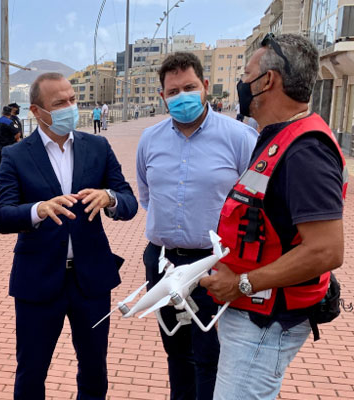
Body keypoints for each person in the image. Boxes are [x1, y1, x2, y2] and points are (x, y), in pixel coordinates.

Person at [200, 33, 345, 399]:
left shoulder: (305, 151)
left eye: (246, 73)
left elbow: (326, 251)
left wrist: (242, 283)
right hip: (253, 317)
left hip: (265, 322)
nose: (240, 83)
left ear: (268, 80)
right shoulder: (277, 136)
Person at [0, 72, 138, 399]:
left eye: (72, 100)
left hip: (92, 282)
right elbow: (1, 216)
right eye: (59, 103)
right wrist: (38, 209)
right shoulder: (16, 155)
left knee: (94, 368)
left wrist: (109, 198)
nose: (70, 107)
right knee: (31, 371)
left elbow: (129, 201)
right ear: (36, 111)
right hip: (38, 281)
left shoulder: (97, 147)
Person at [136, 52, 257, 400]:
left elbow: (256, 201)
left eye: (189, 87)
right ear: (162, 96)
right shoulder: (149, 140)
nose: (181, 96)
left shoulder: (239, 137)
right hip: (163, 262)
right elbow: (147, 196)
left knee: (211, 356)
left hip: (216, 264)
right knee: (176, 353)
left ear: (204, 87)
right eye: (173, 91)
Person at [0, 105, 21, 170]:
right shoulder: (10, 122)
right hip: (7, 147)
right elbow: (18, 133)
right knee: (8, 166)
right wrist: (13, 139)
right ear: (10, 113)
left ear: (2, 112)